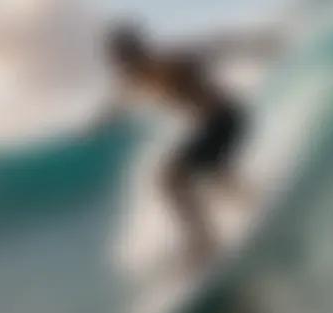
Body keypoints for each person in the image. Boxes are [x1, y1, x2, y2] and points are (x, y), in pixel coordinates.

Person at [92, 21, 258, 268]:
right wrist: (102, 119)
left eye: (123, 57)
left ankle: (205, 242)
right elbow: (119, 98)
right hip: (213, 125)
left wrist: (256, 44)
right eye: (118, 60)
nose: (121, 65)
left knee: (171, 178)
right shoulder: (138, 77)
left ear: (135, 51)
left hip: (225, 119)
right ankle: (255, 206)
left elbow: (211, 47)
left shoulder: (165, 63)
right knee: (213, 178)